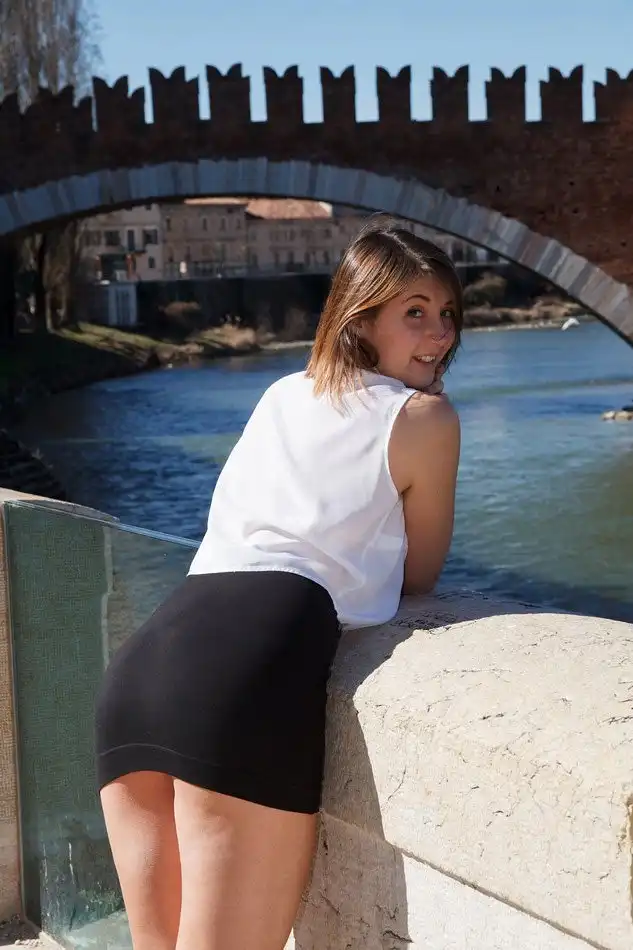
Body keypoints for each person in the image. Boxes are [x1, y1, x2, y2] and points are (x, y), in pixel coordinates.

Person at [95, 216, 463, 950]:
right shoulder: (424, 417)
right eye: (414, 313)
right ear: (359, 319)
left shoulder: (284, 392)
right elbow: (420, 576)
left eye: (447, 313)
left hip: (144, 668)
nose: (440, 334)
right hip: (245, 675)